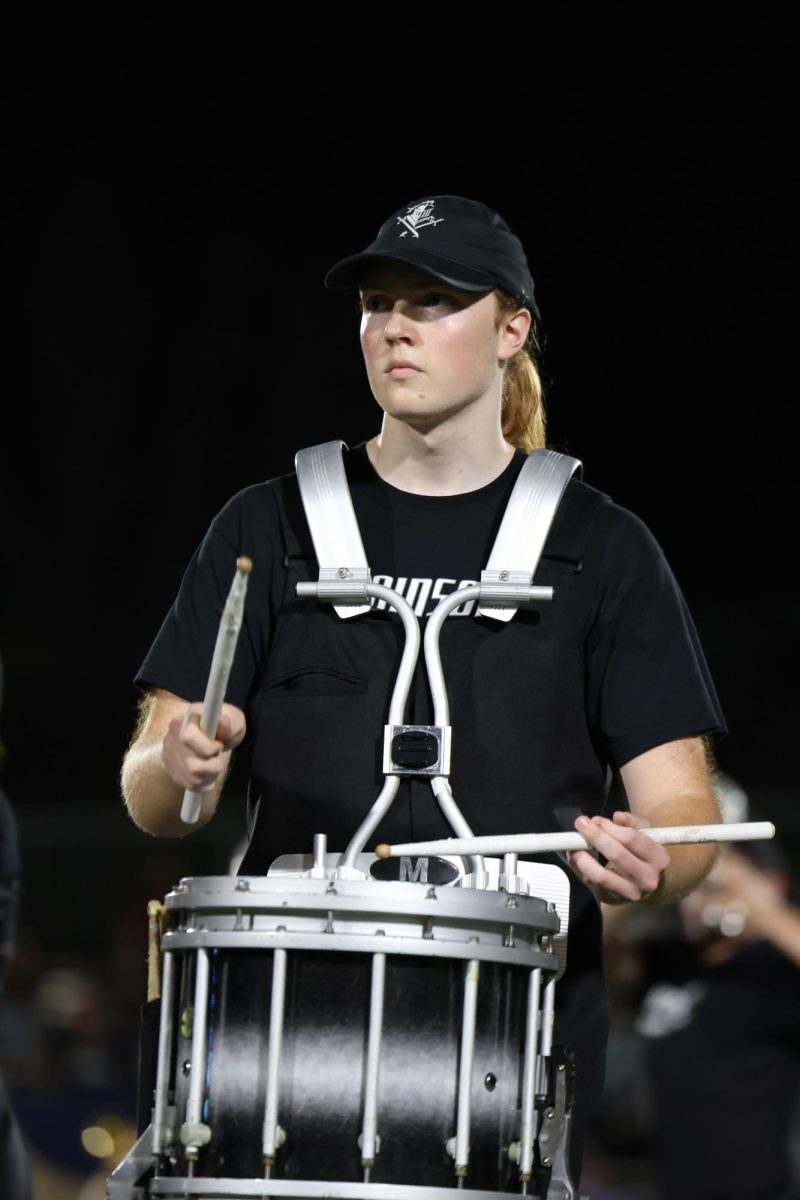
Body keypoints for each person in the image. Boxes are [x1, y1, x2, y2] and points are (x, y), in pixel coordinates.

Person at [121, 194, 727, 1188]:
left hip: (510, 1056)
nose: (393, 325)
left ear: (510, 329)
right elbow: (153, 793)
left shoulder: (602, 549)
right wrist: (180, 760)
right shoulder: (265, 527)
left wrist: (658, 867)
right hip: (278, 1046)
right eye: (375, 301)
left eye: (434, 300)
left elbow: (683, 813)